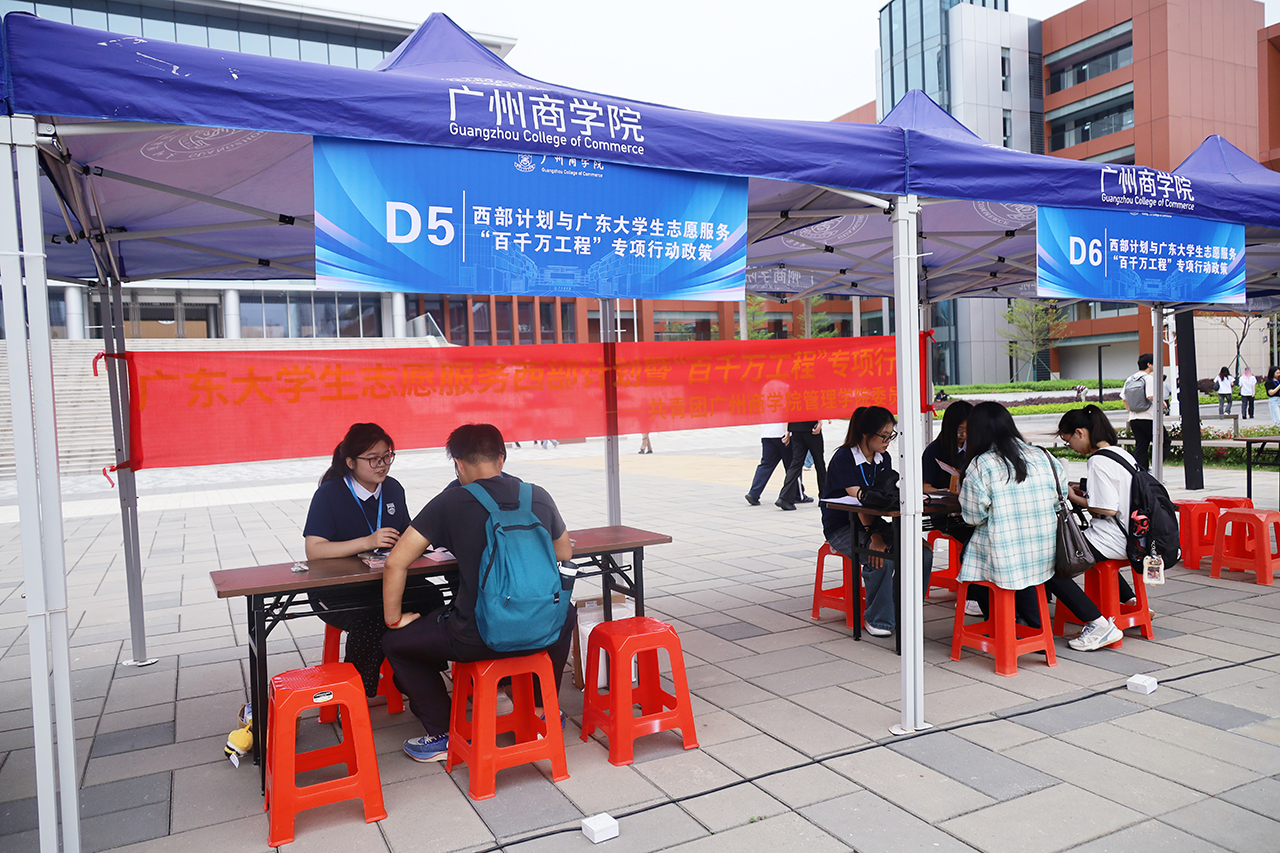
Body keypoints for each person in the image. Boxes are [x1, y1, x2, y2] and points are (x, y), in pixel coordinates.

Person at [381, 423, 576, 762]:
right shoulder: (538, 495)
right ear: (502, 457)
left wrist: (394, 619)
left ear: (458, 463)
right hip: (541, 629)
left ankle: (443, 733)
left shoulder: (450, 501)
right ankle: (542, 711)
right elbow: (564, 553)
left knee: (396, 643)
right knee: (565, 613)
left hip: (478, 636)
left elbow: (395, 563)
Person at [959, 402, 1122, 651]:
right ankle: (1032, 625)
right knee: (1032, 566)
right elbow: (1060, 496)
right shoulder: (1044, 456)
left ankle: (1007, 623)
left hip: (1006, 554)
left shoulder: (982, 464)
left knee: (971, 556)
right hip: (1046, 545)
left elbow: (972, 517)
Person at [303, 423, 445, 697]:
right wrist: (367, 542)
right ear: (350, 462)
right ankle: (356, 694)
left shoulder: (393, 489)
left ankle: (415, 677)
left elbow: (406, 533)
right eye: (373, 459)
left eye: (387, 456)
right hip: (340, 589)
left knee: (432, 598)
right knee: (372, 616)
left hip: (386, 580)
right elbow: (314, 550)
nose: (382, 465)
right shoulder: (330, 494)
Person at [820, 406, 932, 637]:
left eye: (891, 435)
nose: (888, 441)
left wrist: (895, 534)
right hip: (842, 526)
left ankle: (905, 612)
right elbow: (860, 501)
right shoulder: (844, 458)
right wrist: (875, 537)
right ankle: (878, 619)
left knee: (922, 553)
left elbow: (883, 495)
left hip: (872, 523)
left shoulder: (883, 458)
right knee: (881, 556)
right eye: (884, 436)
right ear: (866, 434)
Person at [1125, 353, 1171, 473]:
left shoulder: (1130, 379)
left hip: (1134, 418)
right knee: (1164, 442)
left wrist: (1131, 411)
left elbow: (1124, 398)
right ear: (1149, 364)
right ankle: (1156, 468)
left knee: (1141, 445)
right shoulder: (1149, 378)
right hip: (1149, 418)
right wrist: (1163, 403)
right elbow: (1150, 396)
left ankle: (1142, 472)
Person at [745, 423, 806, 506]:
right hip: (783, 434)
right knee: (792, 467)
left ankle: (753, 493)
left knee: (766, 465)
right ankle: (798, 494)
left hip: (767, 434)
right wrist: (787, 431)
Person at [922, 401, 973, 493]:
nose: (964, 434)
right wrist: (947, 492)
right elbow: (925, 487)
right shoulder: (934, 451)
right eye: (959, 430)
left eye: (968, 429)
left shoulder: (974, 448)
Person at [777, 420, 826, 511]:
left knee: (795, 464)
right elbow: (815, 409)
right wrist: (820, 422)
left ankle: (785, 497)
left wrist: (787, 431)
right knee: (819, 463)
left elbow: (788, 413)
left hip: (795, 429)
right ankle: (824, 497)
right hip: (811, 427)